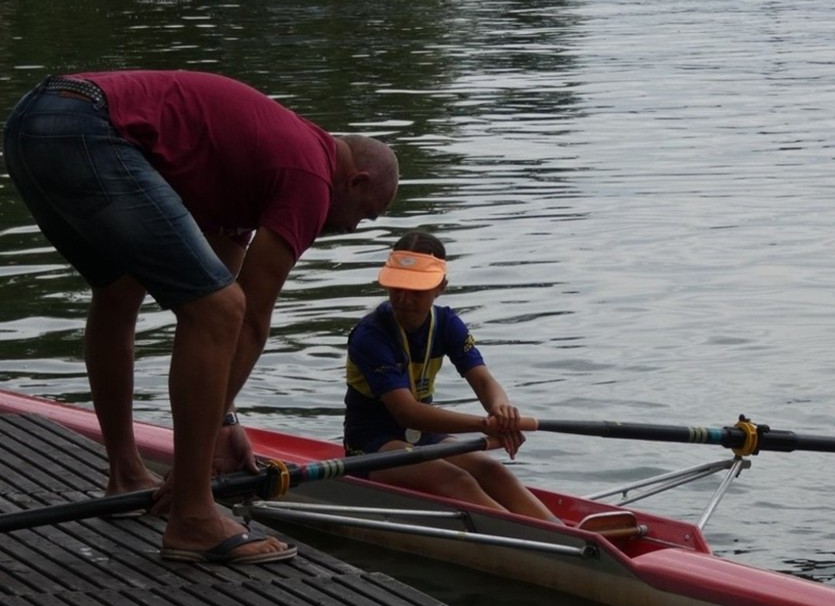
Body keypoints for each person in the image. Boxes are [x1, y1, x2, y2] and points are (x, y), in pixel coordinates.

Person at [3, 70, 399, 564]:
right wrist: (208, 441)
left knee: (120, 291)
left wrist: (224, 420)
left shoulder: (257, 168)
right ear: (357, 181)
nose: (352, 228)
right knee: (219, 309)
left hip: (32, 124)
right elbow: (247, 315)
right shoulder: (312, 176)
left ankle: (125, 473)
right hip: (86, 127)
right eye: (364, 215)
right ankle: (192, 517)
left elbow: (221, 291)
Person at [343, 231, 558, 523]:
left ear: (440, 287)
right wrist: (486, 425)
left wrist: (500, 410)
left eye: (416, 290)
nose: (404, 299)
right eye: (397, 287)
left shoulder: (446, 323)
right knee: (457, 480)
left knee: (492, 470)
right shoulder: (370, 335)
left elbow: (483, 381)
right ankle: (537, 541)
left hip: (423, 436)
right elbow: (407, 413)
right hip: (370, 444)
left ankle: (565, 534)